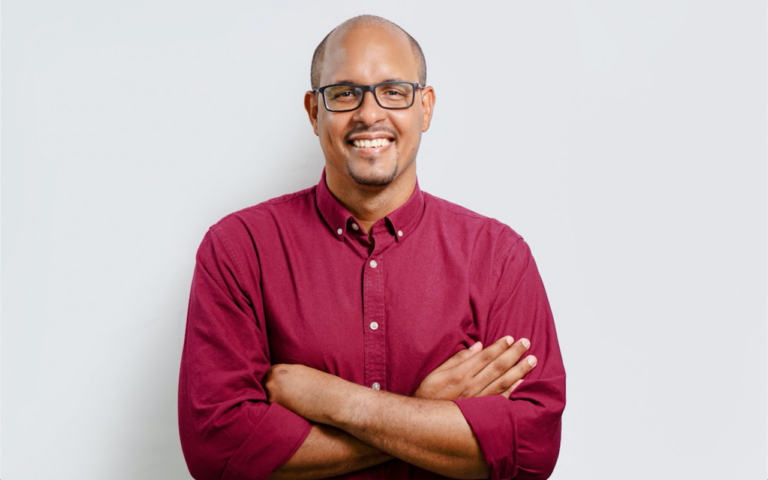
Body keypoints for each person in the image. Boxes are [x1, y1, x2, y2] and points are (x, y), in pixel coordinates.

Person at [178, 14, 566, 480]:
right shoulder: (239, 250)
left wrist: (337, 402)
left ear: (425, 107)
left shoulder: (498, 257)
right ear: (313, 111)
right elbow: (218, 452)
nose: (369, 113)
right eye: (345, 93)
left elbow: (531, 450)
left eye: (394, 91)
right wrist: (427, 412)